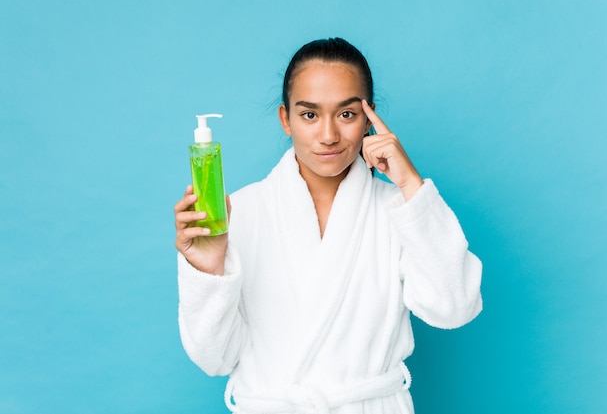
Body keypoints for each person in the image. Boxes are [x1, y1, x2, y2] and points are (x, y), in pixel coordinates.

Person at [174, 37, 482, 414]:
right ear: (285, 119)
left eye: (347, 114)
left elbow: (455, 307)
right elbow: (214, 358)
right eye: (309, 115)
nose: (328, 135)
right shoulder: (240, 213)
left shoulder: (399, 211)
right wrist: (209, 271)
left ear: (370, 118)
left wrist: (411, 186)